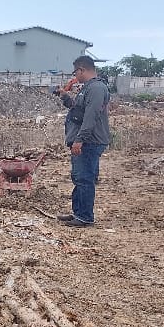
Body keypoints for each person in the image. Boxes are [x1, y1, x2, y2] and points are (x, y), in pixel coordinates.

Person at [56, 56, 111, 227]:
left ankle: (85, 217)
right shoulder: (87, 88)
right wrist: (65, 97)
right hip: (85, 139)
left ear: (81, 69)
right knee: (79, 177)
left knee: (84, 178)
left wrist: (80, 139)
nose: (75, 76)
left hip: (89, 141)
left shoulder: (96, 89)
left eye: (75, 72)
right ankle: (78, 213)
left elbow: (91, 116)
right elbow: (78, 109)